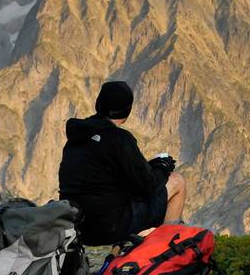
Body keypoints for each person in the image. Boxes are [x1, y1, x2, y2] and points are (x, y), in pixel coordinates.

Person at [58, 80, 187, 246]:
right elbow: (147, 187)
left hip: (76, 224)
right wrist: (162, 167)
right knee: (177, 182)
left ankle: (137, 246)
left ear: (98, 104)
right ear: (127, 112)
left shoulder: (77, 134)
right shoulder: (119, 140)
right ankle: (166, 251)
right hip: (108, 227)